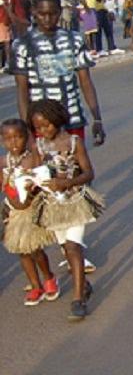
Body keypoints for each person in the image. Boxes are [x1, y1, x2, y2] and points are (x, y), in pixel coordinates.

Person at [30, 100, 103, 322]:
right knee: (65, 246)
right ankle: (84, 284)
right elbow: (36, 174)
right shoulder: (38, 147)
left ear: (58, 120)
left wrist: (67, 183)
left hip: (76, 201)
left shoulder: (74, 142)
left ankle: (78, 299)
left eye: (47, 126)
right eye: (38, 128)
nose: (43, 131)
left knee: (73, 246)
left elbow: (89, 173)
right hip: (53, 206)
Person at [9, 0, 105, 146]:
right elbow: (22, 90)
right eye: (42, 14)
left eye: (52, 13)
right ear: (33, 11)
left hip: (72, 119)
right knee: (46, 170)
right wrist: (28, 130)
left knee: (77, 167)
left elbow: (85, 82)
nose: (47, 19)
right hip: (40, 124)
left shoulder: (74, 40)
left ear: (60, 12)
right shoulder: (22, 45)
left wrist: (97, 118)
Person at [2, 118, 59, 306]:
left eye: (18, 137)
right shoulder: (3, 162)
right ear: (2, 141)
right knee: (22, 250)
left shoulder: (32, 159)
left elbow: (42, 180)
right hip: (13, 212)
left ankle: (49, 277)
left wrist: (31, 187)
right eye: (8, 139)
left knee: (35, 249)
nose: (13, 142)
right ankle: (35, 285)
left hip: (31, 210)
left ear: (26, 138)